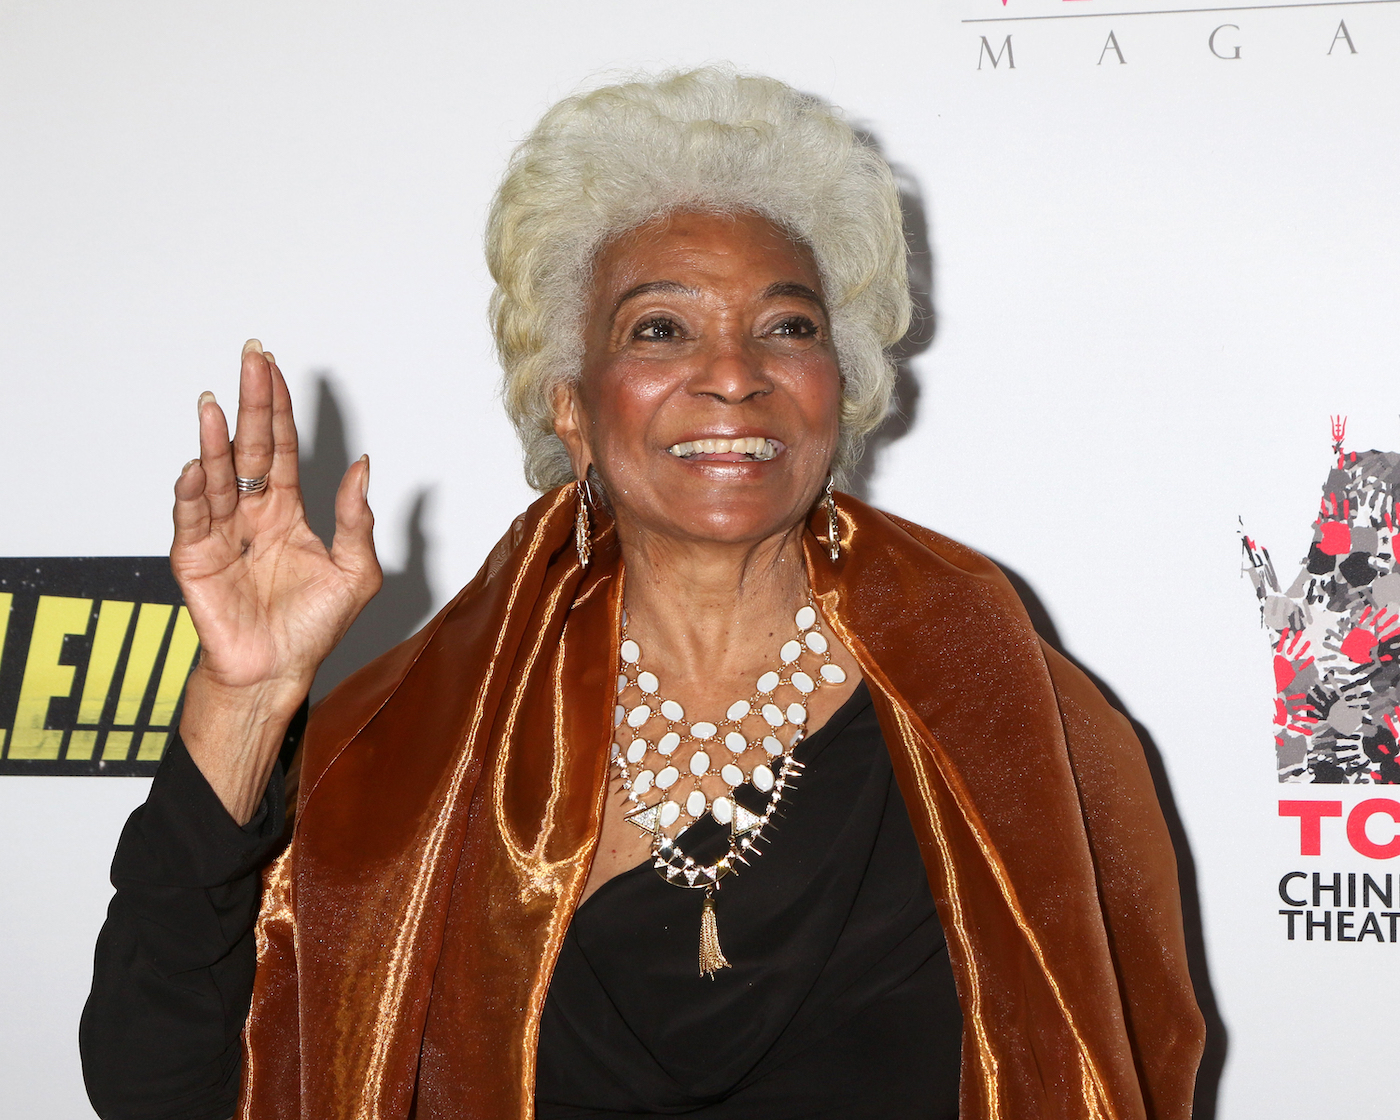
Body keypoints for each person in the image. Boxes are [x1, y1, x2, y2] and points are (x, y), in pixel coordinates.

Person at [81, 69, 1204, 1120]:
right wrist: (248, 695)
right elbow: (162, 1083)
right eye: (658, 328)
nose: (732, 371)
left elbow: (1119, 1064)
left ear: (839, 387)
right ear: (570, 407)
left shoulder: (1004, 711)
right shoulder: (429, 734)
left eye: (787, 325)